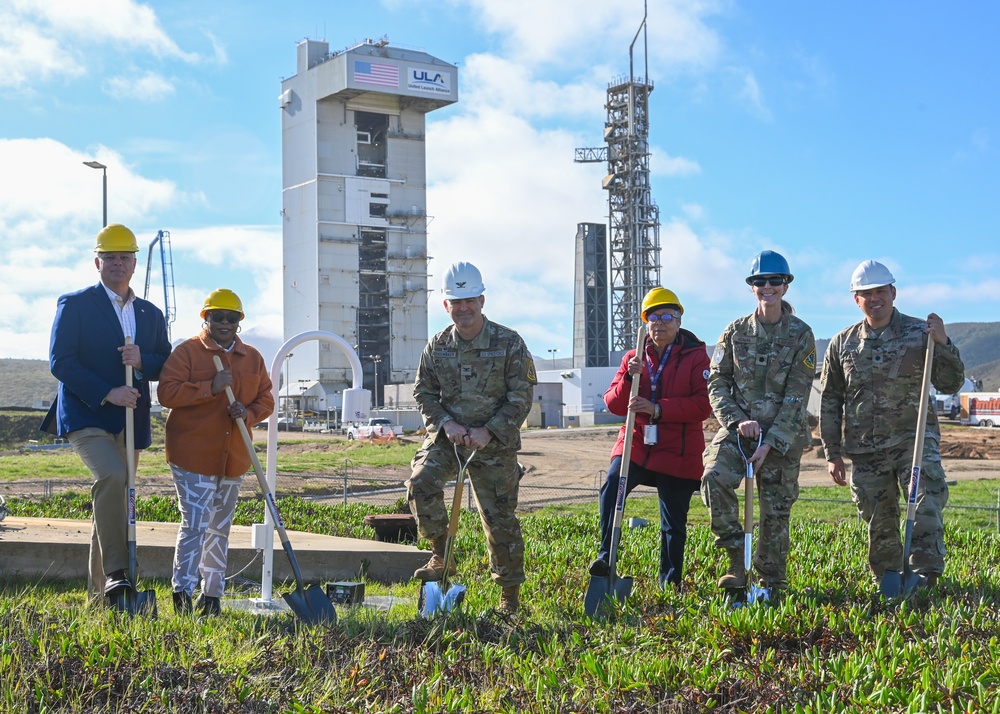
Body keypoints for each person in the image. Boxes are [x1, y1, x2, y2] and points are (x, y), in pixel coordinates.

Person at [42, 224, 172, 604]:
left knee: (117, 495)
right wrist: (108, 392)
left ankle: (102, 599)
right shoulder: (75, 304)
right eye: (110, 257)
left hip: (131, 420)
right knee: (113, 477)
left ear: (134, 264)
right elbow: (61, 362)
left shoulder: (150, 314)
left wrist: (142, 360)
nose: (118, 263)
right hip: (87, 414)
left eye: (125, 257)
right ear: (98, 262)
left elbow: (164, 362)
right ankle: (119, 573)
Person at [820, 260, 965, 586]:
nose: (875, 299)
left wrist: (943, 343)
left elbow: (950, 383)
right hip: (866, 449)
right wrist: (832, 453)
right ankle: (888, 580)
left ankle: (925, 576)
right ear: (856, 299)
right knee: (878, 520)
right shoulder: (841, 344)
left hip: (913, 442)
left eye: (881, 291)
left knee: (926, 501)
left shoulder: (921, 334)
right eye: (866, 293)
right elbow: (830, 401)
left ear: (893, 293)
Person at [406, 261, 536, 613]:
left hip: (493, 444)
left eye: (469, 300)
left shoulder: (509, 343)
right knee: (420, 482)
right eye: (455, 302)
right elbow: (424, 393)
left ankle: (509, 598)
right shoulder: (437, 346)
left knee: (500, 522)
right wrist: (446, 424)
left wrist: (488, 431)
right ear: (445, 306)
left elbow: (521, 397)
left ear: (481, 300)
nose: (463, 308)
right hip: (448, 438)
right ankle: (440, 554)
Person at [701, 250, 816, 596]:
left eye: (774, 281)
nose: (767, 287)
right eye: (759, 281)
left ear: (786, 286)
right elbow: (717, 383)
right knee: (713, 478)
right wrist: (737, 422)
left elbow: (797, 396)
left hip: (783, 437)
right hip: (739, 433)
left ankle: (772, 584)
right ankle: (737, 559)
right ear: (752, 287)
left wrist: (770, 442)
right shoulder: (734, 332)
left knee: (775, 514)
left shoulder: (800, 335)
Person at [157, 289, 274, 616]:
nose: (224, 322)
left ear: (239, 322)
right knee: (195, 524)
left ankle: (212, 597)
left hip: (234, 457)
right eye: (217, 316)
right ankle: (182, 593)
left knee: (219, 528)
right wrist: (210, 386)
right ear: (205, 318)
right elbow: (167, 392)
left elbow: (266, 399)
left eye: (231, 317)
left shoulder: (252, 358)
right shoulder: (188, 353)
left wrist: (247, 414)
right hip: (193, 455)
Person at [588, 288, 712, 591]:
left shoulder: (697, 357)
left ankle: (670, 584)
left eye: (667, 316)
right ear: (645, 322)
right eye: (653, 317)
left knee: (673, 523)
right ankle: (606, 556)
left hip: (678, 452)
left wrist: (658, 408)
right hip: (637, 445)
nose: (660, 323)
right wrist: (631, 377)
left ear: (679, 320)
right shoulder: (633, 357)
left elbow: (703, 405)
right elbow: (614, 404)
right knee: (613, 485)